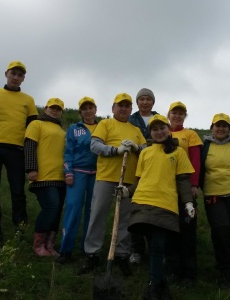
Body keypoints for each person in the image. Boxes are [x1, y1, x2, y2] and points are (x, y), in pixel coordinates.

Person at [123, 114, 195, 299]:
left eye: (162, 128)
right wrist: (126, 191)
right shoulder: (145, 152)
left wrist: (188, 202)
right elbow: (139, 180)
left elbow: (183, 181)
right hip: (142, 203)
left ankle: (155, 285)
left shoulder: (178, 152)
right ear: (150, 132)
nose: (159, 132)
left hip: (165, 205)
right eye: (154, 129)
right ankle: (158, 283)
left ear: (168, 129)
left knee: (158, 245)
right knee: (153, 244)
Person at [79, 93, 146, 276]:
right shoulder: (105, 124)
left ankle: (122, 255)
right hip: (107, 178)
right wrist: (116, 150)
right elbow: (94, 146)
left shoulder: (136, 130)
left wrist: (136, 147)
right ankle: (92, 254)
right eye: (120, 105)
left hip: (129, 181)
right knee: (98, 214)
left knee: (125, 218)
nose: (123, 109)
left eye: (127, 106)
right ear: (113, 108)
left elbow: (147, 150)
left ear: (131, 109)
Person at [199, 113, 230, 289]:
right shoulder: (204, 146)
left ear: (229, 129)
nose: (221, 129)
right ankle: (224, 271)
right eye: (217, 125)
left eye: (224, 126)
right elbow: (200, 170)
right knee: (222, 232)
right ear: (211, 128)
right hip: (214, 196)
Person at [0, 61, 38, 249]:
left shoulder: (28, 100)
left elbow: (33, 129)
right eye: (13, 73)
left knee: (17, 192)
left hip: (16, 150)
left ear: (23, 78)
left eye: (20, 75)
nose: (16, 77)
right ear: (6, 73)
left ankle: (20, 231)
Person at [57, 97, 98, 264]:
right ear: (80, 112)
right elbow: (68, 151)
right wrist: (68, 171)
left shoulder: (103, 126)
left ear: (95, 109)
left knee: (92, 211)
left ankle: (88, 250)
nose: (88, 111)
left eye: (91, 107)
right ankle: (65, 250)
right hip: (78, 172)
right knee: (73, 208)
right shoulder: (74, 128)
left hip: (97, 174)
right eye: (84, 108)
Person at [166, 101, 203, 285]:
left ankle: (189, 272)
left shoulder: (190, 134)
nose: (177, 116)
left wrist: (194, 184)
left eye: (181, 113)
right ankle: (174, 269)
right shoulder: (161, 132)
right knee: (171, 229)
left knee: (187, 229)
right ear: (168, 114)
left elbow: (195, 160)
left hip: (186, 188)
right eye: (174, 112)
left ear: (184, 116)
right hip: (166, 190)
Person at [24, 98, 66, 256]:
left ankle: (50, 245)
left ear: (61, 112)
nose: (55, 110)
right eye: (52, 108)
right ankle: (38, 245)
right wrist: (31, 168)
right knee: (51, 207)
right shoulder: (36, 124)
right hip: (42, 176)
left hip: (60, 177)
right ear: (45, 109)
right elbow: (29, 145)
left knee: (56, 211)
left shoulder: (63, 132)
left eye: (58, 109)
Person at [128, 88, 159, 264]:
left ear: (153, 102)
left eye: (148, 99)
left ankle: (155, 247)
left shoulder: (159, 118)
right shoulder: (131, 120)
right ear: (137, 102)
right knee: (136, 208)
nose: (145, 102)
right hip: (135, 167)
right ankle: (136, 249)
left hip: (154, 168)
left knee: (153, 206)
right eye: (142, 99)